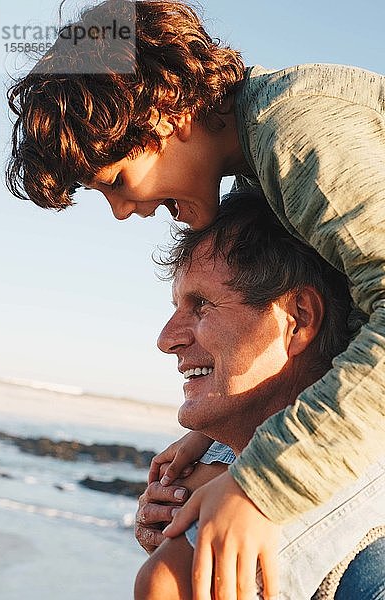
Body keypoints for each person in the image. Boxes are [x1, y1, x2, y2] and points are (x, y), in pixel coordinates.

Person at [5, 1, 385, 596]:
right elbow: (348, 319)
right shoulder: (260, 160)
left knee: (176, 581)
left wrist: (262, 484)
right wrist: (216, 435)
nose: (124, 211)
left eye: (118, 182)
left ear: (165, 113)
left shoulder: (297, 129)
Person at [134, 192, 385, 599]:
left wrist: (181, 557)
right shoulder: (207, 465)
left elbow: (166, 587)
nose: (167, 339)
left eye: (201, 306)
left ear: (298, 319)